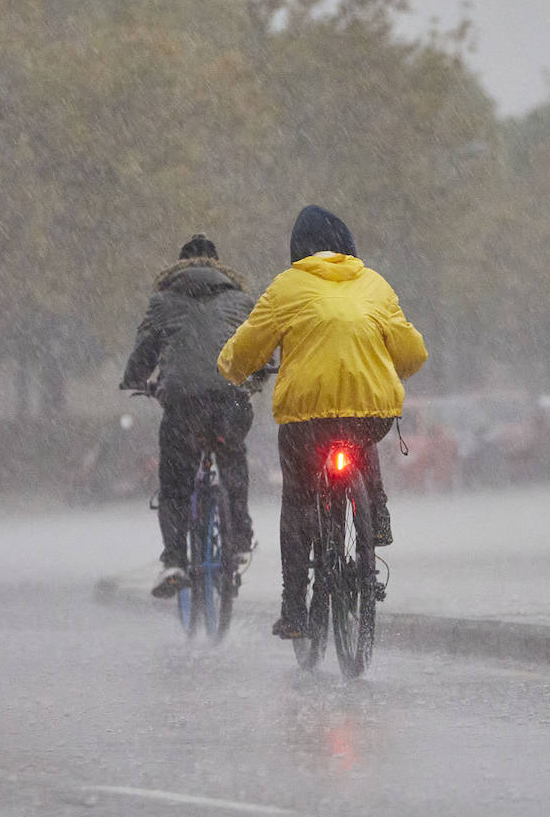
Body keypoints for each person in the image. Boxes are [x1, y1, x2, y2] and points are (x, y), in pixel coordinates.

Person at [217, 205, 427, 639]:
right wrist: (387, 369)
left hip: (306, 418)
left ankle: (295, 608)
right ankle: (376, 512)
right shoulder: (375, 285)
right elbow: (412, 354)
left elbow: (246, 348)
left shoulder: (287, 288)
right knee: (360, 435)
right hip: (370, 412)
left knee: (297, 498)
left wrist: (232, 371)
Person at [123, 234, 258, 599]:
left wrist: (135, 380)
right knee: (232, 460)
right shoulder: (241, 300)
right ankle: (241, 536)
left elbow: (145, 350)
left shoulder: (163, 302)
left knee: (175, 483)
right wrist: (257, 377)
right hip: (229, 398)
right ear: (220, 267)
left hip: (183, 403)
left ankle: (175, 560)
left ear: (177, 267)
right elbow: (255, 346)